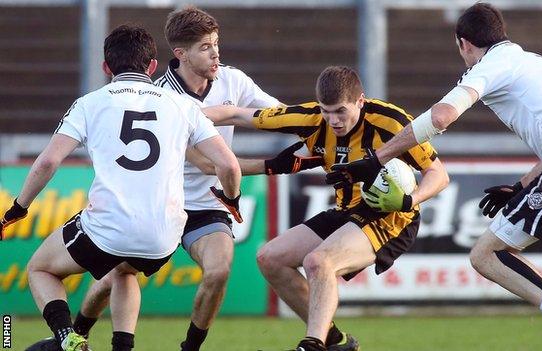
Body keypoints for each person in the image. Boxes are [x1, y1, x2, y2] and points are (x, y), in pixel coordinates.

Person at [327, 3, 542, 351]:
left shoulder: (491, 64)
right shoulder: (538, 62)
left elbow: (441, 117)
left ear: (464, 43)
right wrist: (520, 187)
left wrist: (377, 158)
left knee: (486, 255)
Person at [25, 6, 322, 351]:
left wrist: (324, 133)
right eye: (205, 47)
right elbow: (210, 165)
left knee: (218, 270)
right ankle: (79, 333)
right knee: (111, 279)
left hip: (204, 207)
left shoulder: (233, 80)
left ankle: (187, 347)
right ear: (179, 54)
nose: (216, 54)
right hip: (163, 202)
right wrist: (273, 166)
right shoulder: (164, 97)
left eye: (216, 43)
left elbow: (279, 116)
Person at [0, 25, 241, 351]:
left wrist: (19, 208)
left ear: (106, 67)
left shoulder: (89, 103)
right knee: (124, 270)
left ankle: (67, 338)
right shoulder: (183, 105)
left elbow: (47, 163)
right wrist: (231, 198)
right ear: (152, 66)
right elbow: (228, 165)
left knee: (40, 269)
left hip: (109, 228)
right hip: (164, 237)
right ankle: (122, 347)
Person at [203, 65, 449, 351]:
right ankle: (335, 341)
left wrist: (410, 200)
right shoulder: (308, 118)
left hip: (392, 215)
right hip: (346, 210)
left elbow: (439, 175)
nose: (333, 120)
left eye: (340, 111)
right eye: (326, 111)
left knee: (319, 262)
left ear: (361, 101)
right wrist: (183, 116)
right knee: (270, 258)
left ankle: (313, 345)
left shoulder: (391, 122)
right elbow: (235, 114)